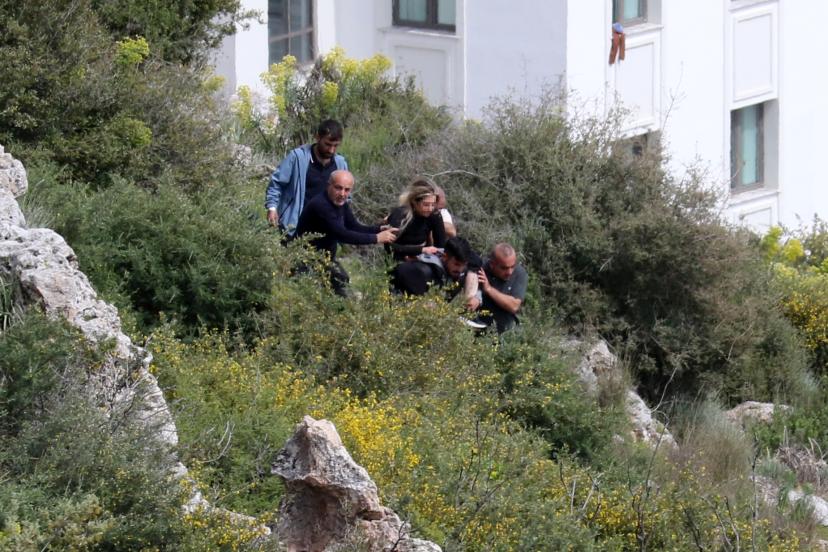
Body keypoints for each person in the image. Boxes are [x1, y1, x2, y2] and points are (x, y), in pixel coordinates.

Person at [295, 170, 397, 296]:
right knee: (313, 293)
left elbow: (354, 226)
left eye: (347, 190)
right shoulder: (321, 205)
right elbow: (342, 235)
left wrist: (379, 229)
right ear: (329, 185)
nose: (342, 194)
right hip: (305, 259)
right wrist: (376, 238)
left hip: (324, 259)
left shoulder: (340, 203)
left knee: (341, 281)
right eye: (338, 188)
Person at [265, 119, 347, 235]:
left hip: (327, 231)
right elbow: (276, 183)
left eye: (335, 146)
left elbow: (345, 195)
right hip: (294, 227)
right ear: (317, 137)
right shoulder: (297, 157)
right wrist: (272, 208)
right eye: (328, 144)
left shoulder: (340, 164)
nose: (331, 150)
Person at [390, 236, 481, 310]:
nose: (460, 269)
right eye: (456, 264)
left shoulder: (459, 266)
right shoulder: (423, 271)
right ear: (445, 257)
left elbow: (476, 263)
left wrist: (476, 297)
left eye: (463, 265)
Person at [385, 178, 446, 261]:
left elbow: (440, 245)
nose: (430, 209)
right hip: (399, 257)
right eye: (426, 205)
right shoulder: (400, 215)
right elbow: (389, 246)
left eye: (433, 204)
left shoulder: (434, 215)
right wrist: (420, 250)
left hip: (423, 257)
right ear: (414, 201)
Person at [477, 243, 528, 333]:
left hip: (505, 332)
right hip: (476, 328)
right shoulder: (480, 268)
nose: (509, 272)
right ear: (492, 264)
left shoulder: (519, 273)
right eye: (504, 268)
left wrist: (489, 289)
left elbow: (514, 306)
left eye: (512, 266)